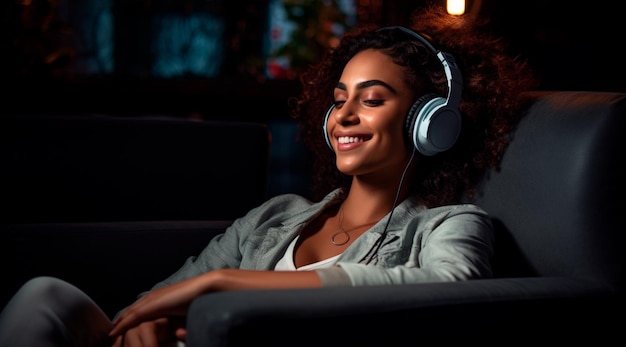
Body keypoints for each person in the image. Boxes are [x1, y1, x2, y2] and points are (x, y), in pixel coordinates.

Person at [0, 5, 538, 347]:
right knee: (43, 294)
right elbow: (156, 301)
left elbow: (450, 286)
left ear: (430, 124)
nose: (344, 116)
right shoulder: (275, 216)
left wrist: (228, 282)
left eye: (372, 99)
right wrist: (151, 320)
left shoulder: (449, 224)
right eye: (338, 99)